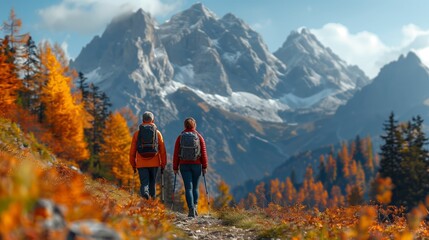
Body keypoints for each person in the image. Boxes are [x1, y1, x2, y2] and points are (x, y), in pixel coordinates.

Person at [173, 117, 208, 217]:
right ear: (194, 125)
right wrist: (204, 166)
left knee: (188, 188)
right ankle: (196, 206)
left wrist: (175, 167)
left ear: (185, 125)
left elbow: (176, 153)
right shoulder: (199, 136)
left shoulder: (180, 137)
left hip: (184, 165)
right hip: (196, 165)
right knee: (195, 188)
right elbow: (204, 153)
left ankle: (191, 209)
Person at [129, 111, 167, 200]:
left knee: (144, 183)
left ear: (142, 120)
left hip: (141, 163)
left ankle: (145, 195)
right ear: (152, 120)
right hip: (154, 162)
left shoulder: (137, 134)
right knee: (152, 182)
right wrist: (163, 164)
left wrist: (133, 164)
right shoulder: (157, 133)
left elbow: (132, 151)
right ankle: (152, 201)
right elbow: (162, 151)